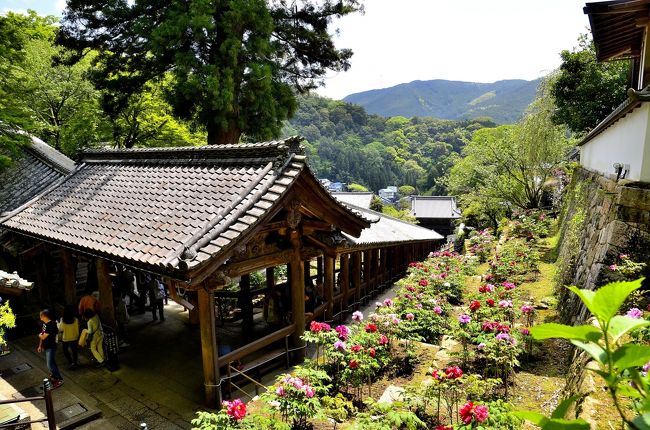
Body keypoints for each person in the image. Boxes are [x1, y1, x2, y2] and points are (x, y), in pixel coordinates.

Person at [38, 309, 63, 388]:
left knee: (50, 365)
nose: (39, 316)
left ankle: (58, 379)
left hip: (51, 346)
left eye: (40, 315)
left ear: (44, 316)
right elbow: (42, 335)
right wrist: (40, 345)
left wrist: (40, 335)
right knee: (52, 363)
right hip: (47, 346)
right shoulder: (44, 324)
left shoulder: (52, 325)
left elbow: (43, 336)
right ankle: (56, 377)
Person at [58, 305, 80, 369]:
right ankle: (75, 363)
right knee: (74, 351)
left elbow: (60, 329)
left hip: (66, 338)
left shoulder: (62, 320)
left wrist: (58, 324)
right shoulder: (76, 319)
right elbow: (77, 327)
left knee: (65, 350)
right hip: (74, 337)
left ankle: (71, 362)